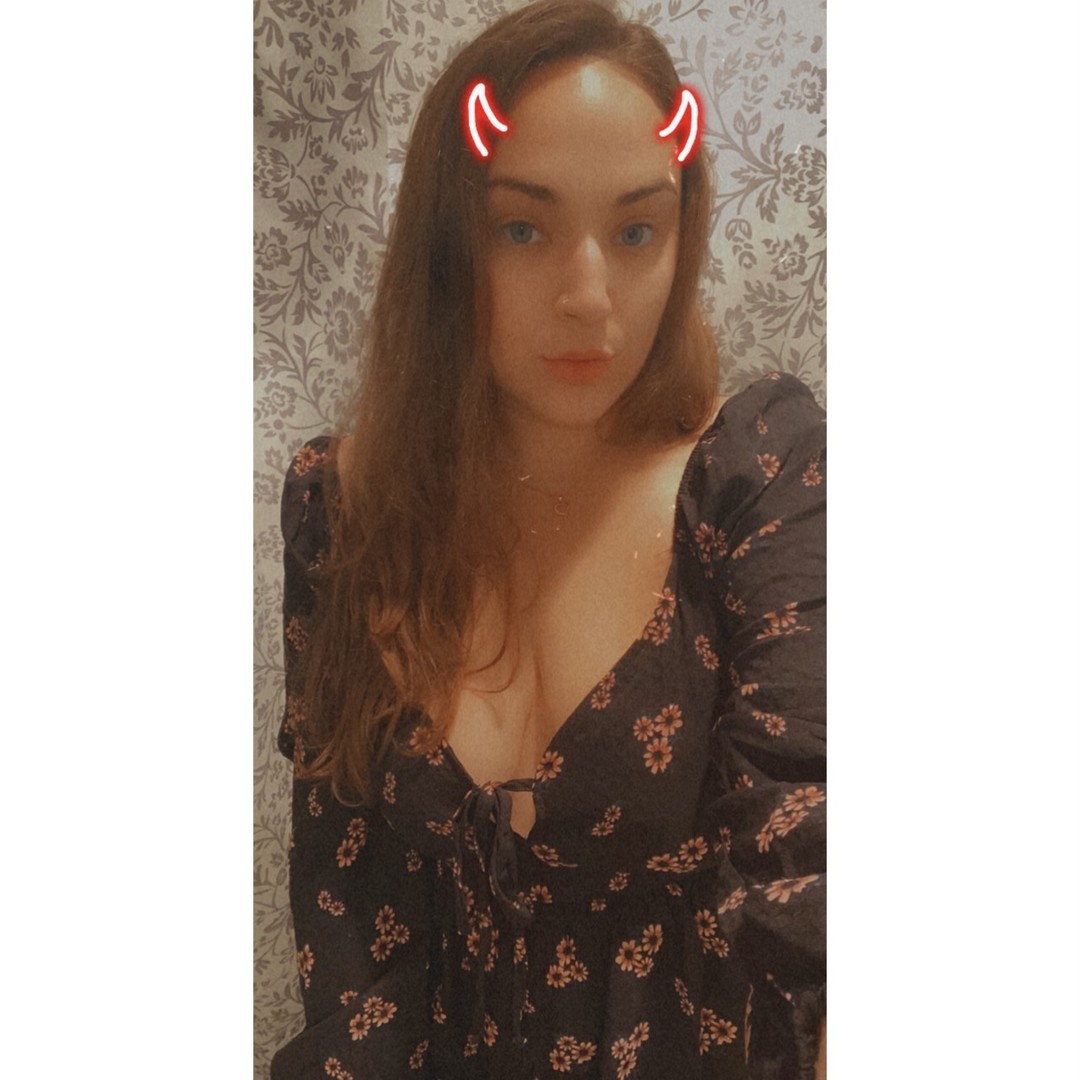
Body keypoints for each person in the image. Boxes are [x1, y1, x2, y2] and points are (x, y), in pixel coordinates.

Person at [271, 2, 825, 1077]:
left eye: (637, 231)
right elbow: (343, 902)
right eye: (522, 229)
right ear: (448, 243)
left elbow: (810, 835)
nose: (588, 296)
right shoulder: (343, 510)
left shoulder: (755, 477)